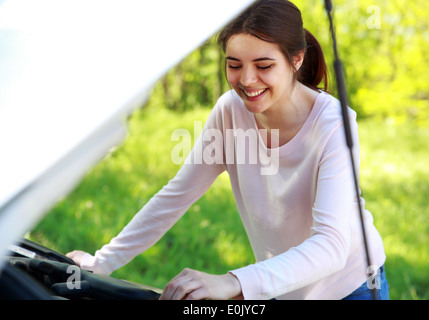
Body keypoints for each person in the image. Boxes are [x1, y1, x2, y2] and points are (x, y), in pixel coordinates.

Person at [67, 0, 388, 300]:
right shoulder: (230, 112)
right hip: (282, 285)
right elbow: (177, 195)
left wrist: (233, 282)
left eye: (263, 65)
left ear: (296, 59)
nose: (247, 80)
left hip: (352, 285)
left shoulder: (333, 123)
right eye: (234, 64)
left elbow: (331, 246)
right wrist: (102, 262)